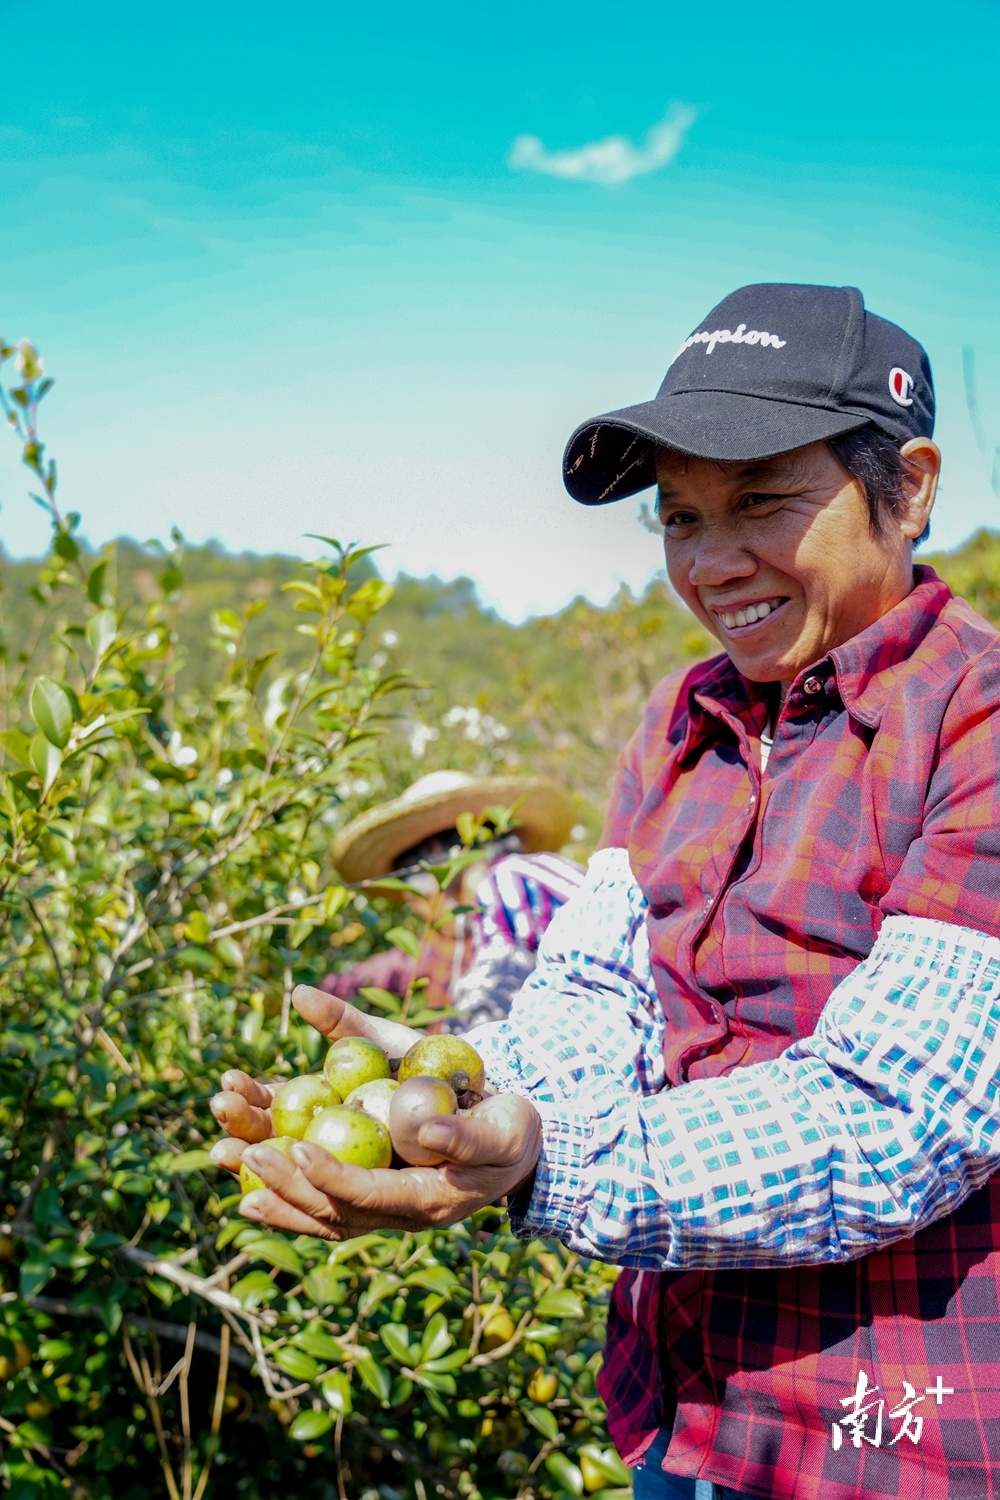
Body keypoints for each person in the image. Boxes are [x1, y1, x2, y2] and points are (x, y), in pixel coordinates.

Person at [211, 284, 1000, 1500]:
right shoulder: (680, 725)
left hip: (884, 1440)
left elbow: (897, 1119)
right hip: (678, 1416)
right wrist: (469, 1085)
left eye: (762, 501)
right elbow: (598, 998)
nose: (711, 561)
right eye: (677, 517)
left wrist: (540, 1157)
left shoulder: (975, 723)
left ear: (912, 487)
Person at [322, 770, 584, 1029]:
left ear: (442, 865)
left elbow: (488, 1005)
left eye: (418, 894)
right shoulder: (457, 937)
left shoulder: (515, 881)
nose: (419, 909)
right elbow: (395, 966)